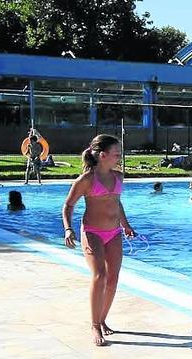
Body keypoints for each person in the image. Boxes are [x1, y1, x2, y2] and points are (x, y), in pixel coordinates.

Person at [62, 134, 136, 346]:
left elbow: (116, 202)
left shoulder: (118, 176)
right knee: (100, 276)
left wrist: (125, 224)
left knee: (113, 278)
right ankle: (94, 326)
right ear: (103, 155)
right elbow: (68, 206)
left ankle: (102, 320)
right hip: (92, 232)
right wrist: (68, 229)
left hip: (114, 233)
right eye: (116, 154)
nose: (119, 157)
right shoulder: (86, 180)